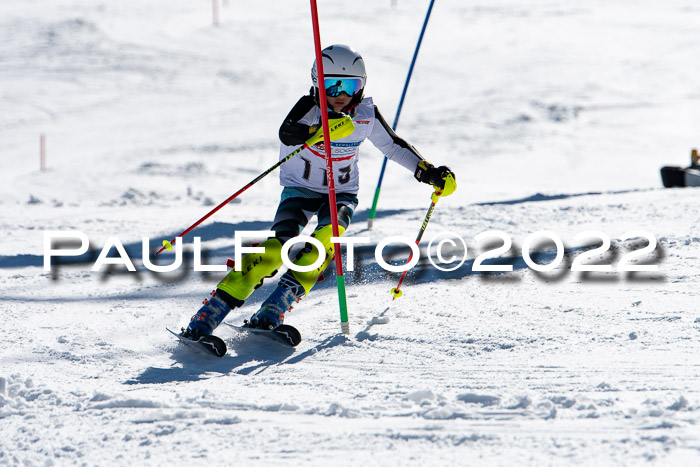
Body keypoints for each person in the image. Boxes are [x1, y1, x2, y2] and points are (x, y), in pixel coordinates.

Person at [182, 44, 456, 338]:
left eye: (350, 86)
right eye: (331, 85)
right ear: (316, 84)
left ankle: (274, 308)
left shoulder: (366, 114)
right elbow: (287, 133)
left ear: (361, 87)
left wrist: (427, 171)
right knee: (275, 251)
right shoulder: (309, 110)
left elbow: (392, 145)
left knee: (324, 243)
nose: (340, 94)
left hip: (342, 194)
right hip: (300, 190)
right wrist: (319, 132)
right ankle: (209, 313)